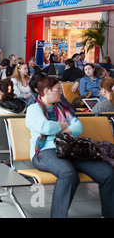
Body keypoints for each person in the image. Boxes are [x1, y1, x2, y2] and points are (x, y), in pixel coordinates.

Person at [25, 76, 114, 218]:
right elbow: (45, 127)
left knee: (107, 173)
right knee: (68, 173)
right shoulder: (33, 109)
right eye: (58, 89)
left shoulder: (64, 109)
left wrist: (61, 130)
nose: (61, 92)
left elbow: (78, 127)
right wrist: (63, 125)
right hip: (45, 152)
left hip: (70, 149)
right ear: (47, 91)